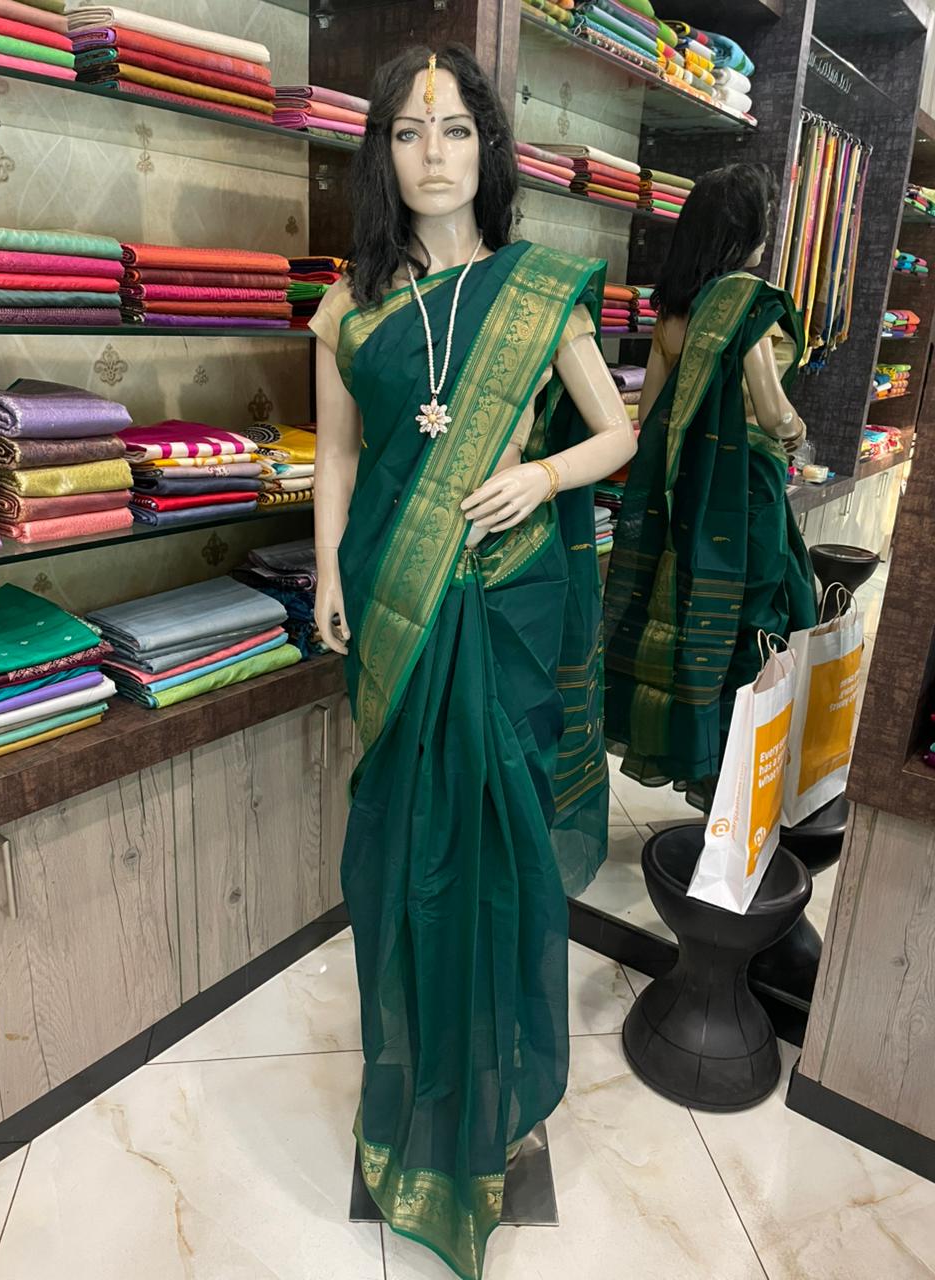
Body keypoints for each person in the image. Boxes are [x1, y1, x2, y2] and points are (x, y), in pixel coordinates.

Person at [308, 44, 636, 1280]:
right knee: (404, 856)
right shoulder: (348, 309)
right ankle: (411, 1098)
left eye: (453, 130)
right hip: (394, 600)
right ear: (382, 153)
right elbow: (338, 457)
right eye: (408, 131)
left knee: (497, 853)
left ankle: (490, 1102)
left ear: (487, 150)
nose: (433, 154)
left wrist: (540, 475)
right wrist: (329, 572)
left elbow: (618, 434)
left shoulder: (537, 290)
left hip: (504, 611)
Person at [604, 162, 817, 802]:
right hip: (743, 490)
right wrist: (796, 432)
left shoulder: (673, 311)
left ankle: (697, 759)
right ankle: (732, 784)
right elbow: (773, 411)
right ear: (746, 231)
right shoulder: (747, 302)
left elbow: (652, 414)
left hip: (687, 490)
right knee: (754, 619)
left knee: (692, 619)